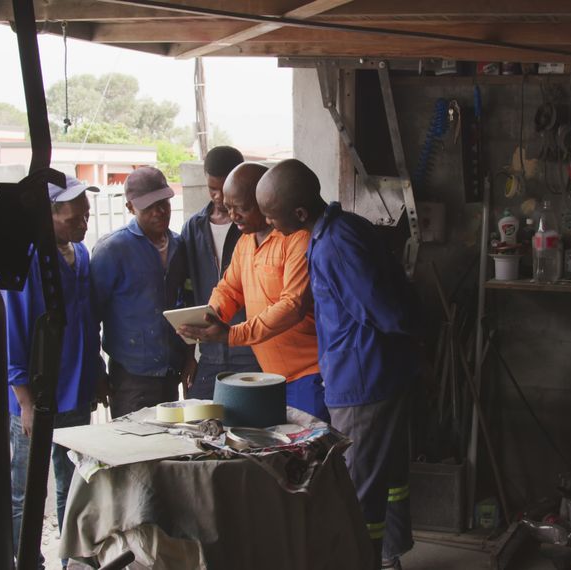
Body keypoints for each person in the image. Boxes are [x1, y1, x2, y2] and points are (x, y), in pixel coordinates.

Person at [257, 159, 419, 569]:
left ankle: (365, 559)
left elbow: (382, 309)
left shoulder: (335, 243)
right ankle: (389, 555)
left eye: (272, 215)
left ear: (298, 212)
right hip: (371, 374)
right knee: (388, 476)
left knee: (357, 490)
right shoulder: (337, 228)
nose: (268, 223)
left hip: (364, 382)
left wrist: (406, 340)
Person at [3, 174, 106, 569]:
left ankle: (73, 560)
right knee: (26, 491)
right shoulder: (27, 261)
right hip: (38, 397)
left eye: (86, 216)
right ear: (49, 217)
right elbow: (14, 334)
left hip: (76, 393)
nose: (84, 224)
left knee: (75, 484)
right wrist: (25, 402)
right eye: (74, 218)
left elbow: (87, 322)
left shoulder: (80, 256)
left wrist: (96, 371)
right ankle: (28, 562)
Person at [177, 162, 326, 421]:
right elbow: (230, 288)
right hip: (270, 377)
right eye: (228, 207)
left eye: (242, 208)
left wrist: (233, 334)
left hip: (309, 374)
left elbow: (292, 305)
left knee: (313, 454)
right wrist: (211, 315)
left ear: (265, 201)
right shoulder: (246, 241)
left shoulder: (297, 239)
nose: (233, 216)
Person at [92, 166, 193, 418]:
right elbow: (91, 317)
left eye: (164, 203)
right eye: (149, 207)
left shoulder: (180, 246)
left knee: (169, 446)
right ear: (130, 208)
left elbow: (189, 306)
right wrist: (97, 371)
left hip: (171, 371)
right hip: (130, 376)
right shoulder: (112, 250)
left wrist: (190, 357)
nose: (159, 212)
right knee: (133, 450)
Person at [180, 146, 260, 399]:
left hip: (251, 350)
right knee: (200, 422)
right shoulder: (194, 227)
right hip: (210, 351)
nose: (217, 197)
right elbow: (187, 286)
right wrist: (188, 354)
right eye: (212, 189)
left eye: (224, 189)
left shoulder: (254, 226)